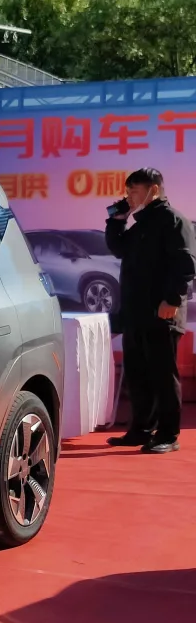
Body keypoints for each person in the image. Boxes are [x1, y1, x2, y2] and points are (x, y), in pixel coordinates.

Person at [105, 168, 196, 454]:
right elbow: (119, 249)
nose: (129, 197)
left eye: (134, 191)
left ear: (153, 190)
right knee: (137, 375)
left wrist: (172, 300)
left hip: (162, 313)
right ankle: (141, 430)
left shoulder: (173, 221)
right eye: (128, 191)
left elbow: (186, 265)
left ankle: (168, 434)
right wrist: (116, 220)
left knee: (162, 376)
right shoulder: (140, 224)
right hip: (136, 313)